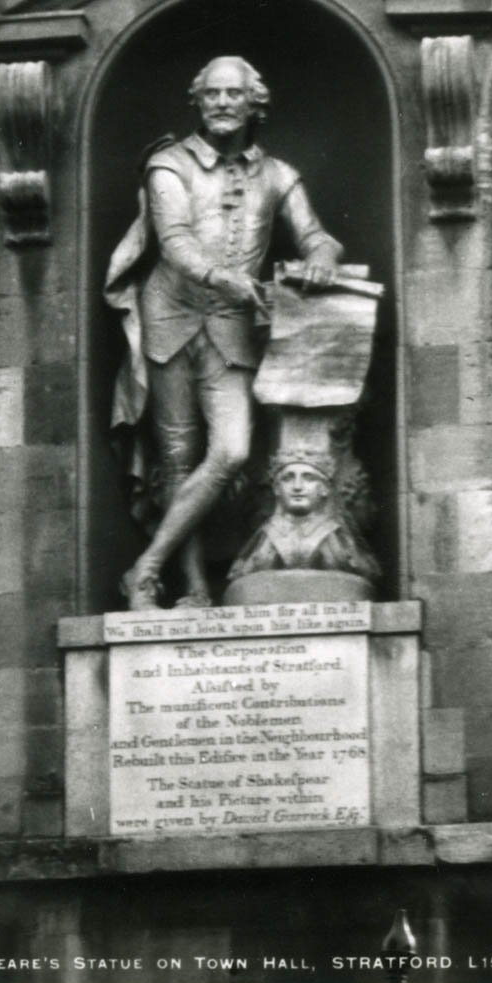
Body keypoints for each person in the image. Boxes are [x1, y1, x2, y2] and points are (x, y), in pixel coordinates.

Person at [105, 56, 343, 609]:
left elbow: (316, 236)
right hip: (171, 317)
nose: (220, 103)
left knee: (232, 451)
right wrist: (222, 277)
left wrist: (323, 259)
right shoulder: (169, 164)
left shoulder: (279, 175)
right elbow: (176, 240)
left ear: (254, 102)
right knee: (176, 458)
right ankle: (193, 590)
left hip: (232, 328)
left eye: (232, 94)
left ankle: (144, 568)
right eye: (211, 94)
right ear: (198, 100)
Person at [227, 450, 380, 581]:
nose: (297, 487)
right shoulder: (265, 535)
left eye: (309, 478)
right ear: (277, 489)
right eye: (288, 478)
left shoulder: (337, 535)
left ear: (324, 489)